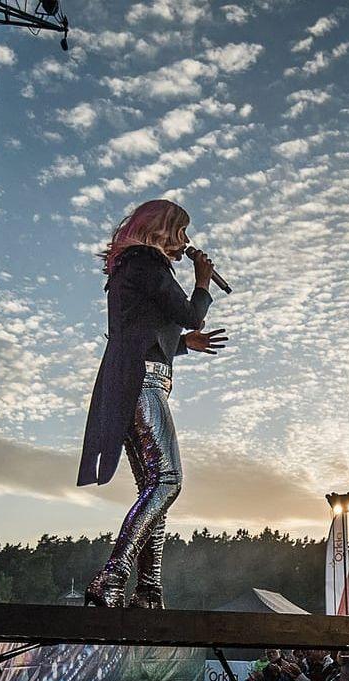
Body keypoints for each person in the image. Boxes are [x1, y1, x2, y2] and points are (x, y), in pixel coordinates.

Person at [77, 199, 226, 607]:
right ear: (160, 230)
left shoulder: (131, 268)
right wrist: (202, 282)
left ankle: (148, 589)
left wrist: (182, 344)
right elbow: (190, 313)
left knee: (153, 487)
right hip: (143, 381)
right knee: (167, 481)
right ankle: (113, 576)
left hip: (133, 378)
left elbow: (140, 329)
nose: (186, 241)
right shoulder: (146, 262)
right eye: (180, 232)